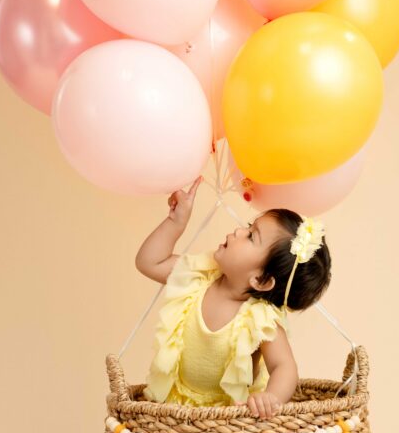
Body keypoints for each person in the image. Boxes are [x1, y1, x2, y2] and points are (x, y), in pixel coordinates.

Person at [136, 175, 331, 418]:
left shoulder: (259, 319)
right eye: (249, 226)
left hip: (231, 419)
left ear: (260, 281)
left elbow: (285, 367)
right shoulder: (200, 277)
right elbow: (149, 262)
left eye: (251, 236)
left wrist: (270, 398)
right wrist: (176, 222)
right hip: (180, 412)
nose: (239, 230)